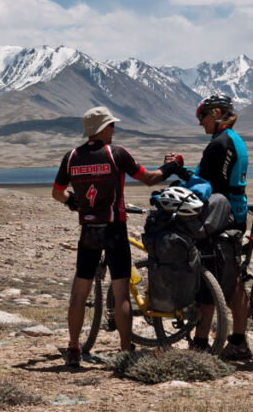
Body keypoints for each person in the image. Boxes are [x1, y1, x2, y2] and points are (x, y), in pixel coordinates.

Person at [53, 106, 179, 367]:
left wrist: (72, 202)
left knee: (80, 292)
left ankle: (74, 348)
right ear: (103, 128)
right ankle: (124, 350)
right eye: (112, 125)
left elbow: (57, 193)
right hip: (114, 228)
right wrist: (171, 167)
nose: (114, 130)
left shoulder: (71, 156)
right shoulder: (117, 153)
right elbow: (148, 178)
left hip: (88, 229)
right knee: (121, 293)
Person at [167, 93, 251, 359]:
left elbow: (208, 186)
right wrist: (182, 171)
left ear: (215, 114)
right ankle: (238, 340)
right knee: (234, 276)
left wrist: (179, 179)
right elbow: (207, 178)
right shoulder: (231, 140)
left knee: (209, 275)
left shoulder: (220, 144)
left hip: (220, 215)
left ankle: (201, 344)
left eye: (201, 117)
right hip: (234, 212)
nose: (200, 123)